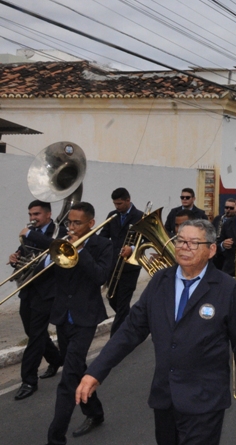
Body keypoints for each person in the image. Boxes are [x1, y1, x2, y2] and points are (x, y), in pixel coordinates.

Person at [76, 219, 236, 445]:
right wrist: (96, 371)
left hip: (205, 401)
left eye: (194, 243)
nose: (184, 247)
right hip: (165, 398)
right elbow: (131, 330)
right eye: (180, 241)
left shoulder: (226, 288)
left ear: (211, 249)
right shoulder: (159, 282)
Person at [46, 202, 113, 444]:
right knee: (77, 370)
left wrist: (82, 251)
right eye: (69, 222)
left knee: (68, 379)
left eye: (77, 223)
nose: (71, 227)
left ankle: (55, 437)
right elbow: (49, 273)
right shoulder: (61, 243)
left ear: (90, 224)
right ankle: (95, 412)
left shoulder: (102, 245)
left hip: (86, 318)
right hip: (64, 316)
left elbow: (100, 276)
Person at [8, 200, 65, 401]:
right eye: (31, 214)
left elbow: (57, 247)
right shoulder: (31, 233)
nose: (33, 218)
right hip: (29, 289)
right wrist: (16, 257)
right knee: (32, 332)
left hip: (48, 291)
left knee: (36, 335)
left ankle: (29, 381)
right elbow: (25, 252)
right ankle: (56, 358)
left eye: (37, 214)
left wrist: (30, 234)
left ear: (48, 214)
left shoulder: (59, 230)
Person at [99, 188, 145, 337]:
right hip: (113, 263)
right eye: (115, 204)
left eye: (119, 203)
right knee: (112, 298)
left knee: (123, 302)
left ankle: (116, 338)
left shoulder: (140, 216)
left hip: (130, 266)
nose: (117, 207)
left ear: (127, 200)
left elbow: (147, 240)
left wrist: (132, 248)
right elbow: (104, 237)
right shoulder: (112, 216)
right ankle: (133, 322)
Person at [211, 199, 236, 269]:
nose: (228, 210)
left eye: (231, 208)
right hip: (217, 252)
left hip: (229, 253)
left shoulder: (235, 220)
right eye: (226, 207)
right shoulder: (218, 219)